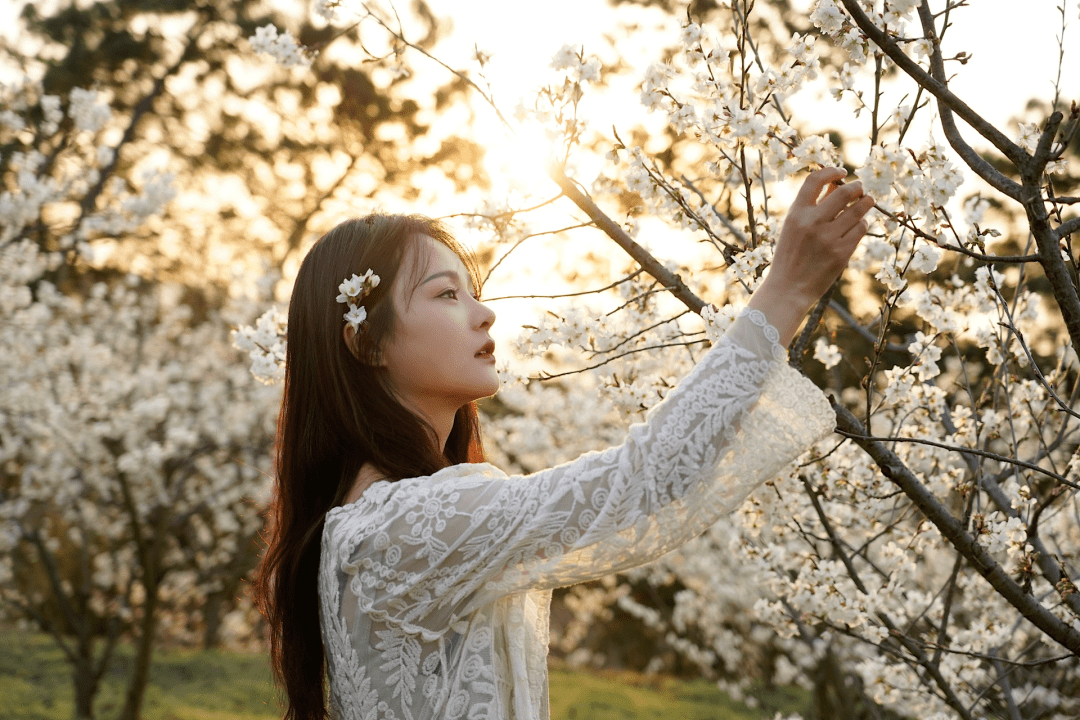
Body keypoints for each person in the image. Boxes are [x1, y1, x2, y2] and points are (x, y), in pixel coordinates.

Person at [252, 166, 874, 720]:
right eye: (445, 294)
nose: (483, 312)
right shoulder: (400, 527)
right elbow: (639, 482)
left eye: (472, 290)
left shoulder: (394, 517)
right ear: (367, 343)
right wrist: (785, 290)